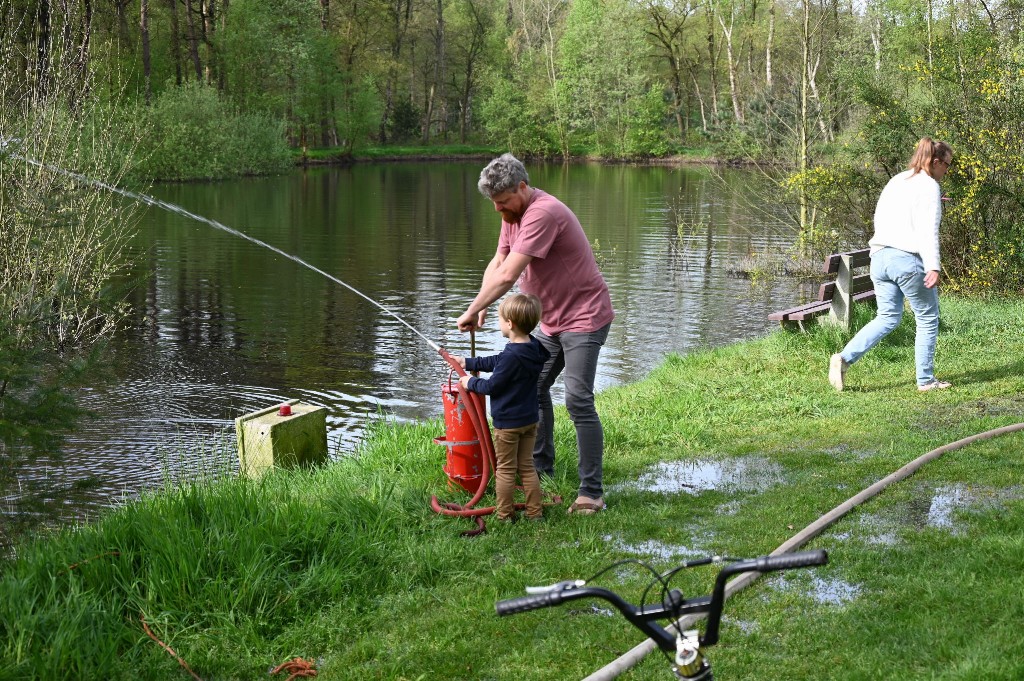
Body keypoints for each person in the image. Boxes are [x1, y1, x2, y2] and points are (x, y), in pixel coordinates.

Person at [457, 153, 615, 515]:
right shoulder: (512, 215)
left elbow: (510, 275)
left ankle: (591, 492)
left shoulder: (543, 213)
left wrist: (472, 309)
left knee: (577, 399)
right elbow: (497, 263)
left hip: (584, 317)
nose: (499, 210)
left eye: (503, 202)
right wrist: (479, 305)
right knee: (534, 386)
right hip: (548, 320)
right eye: (494, 204)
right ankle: (539, 469)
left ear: (523, 187)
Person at [829, 137, 954, 393]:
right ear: (936, 162)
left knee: (887, 317)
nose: (947, 172)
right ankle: (926, 380)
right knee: (928, 317)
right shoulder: (929, 186)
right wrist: (933, 265)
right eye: (947, 166)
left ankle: (843, 358)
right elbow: (928, 230)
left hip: (880, 258)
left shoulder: (898, 180)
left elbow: (884, 215)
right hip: (907, 259)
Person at [454, 294, 550, 522]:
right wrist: (470, 363)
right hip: (529, 419)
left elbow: (492, 386)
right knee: (526, 466)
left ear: (510, 323)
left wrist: (470, 383)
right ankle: (535, 513)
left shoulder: (512, 355)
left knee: (506, 469)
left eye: (499, 318)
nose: (498, 323)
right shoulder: (532, 347)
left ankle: (505, 515)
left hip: (508, 424)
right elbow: (500, 361)